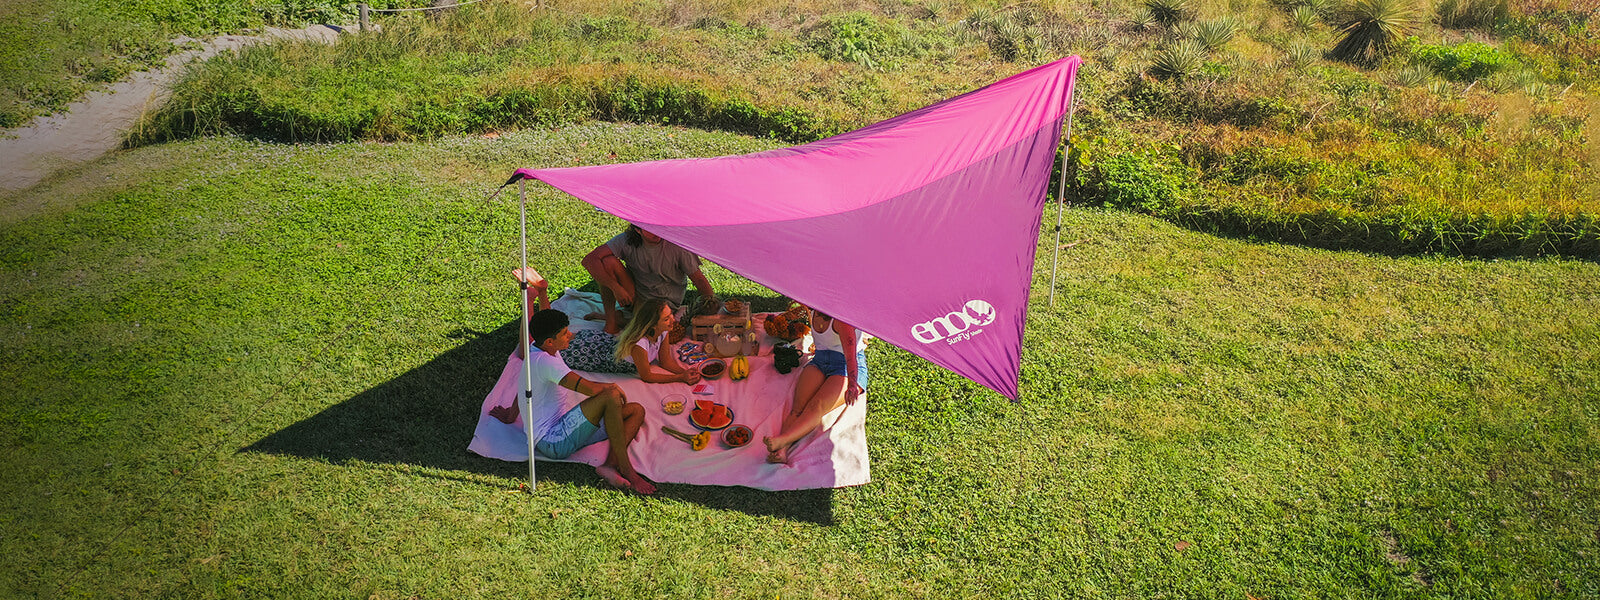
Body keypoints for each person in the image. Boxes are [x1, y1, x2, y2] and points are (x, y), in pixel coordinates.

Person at [488, 267, 657, 494]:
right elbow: (590, 389)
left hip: (564, 425)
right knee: (609, 395)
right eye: (565, 334)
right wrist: (613, 387)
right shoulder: (547, 363)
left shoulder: (540, 348)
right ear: (550, 341)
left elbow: (525, 384)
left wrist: (510, 416)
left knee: (635, 410)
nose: (570, 335)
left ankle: (608, 465)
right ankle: (628, 471)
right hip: (553, 442)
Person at [763, 309, 868, 465]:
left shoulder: (842, 321)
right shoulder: (812, 308)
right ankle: (782, 451)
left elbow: (851, 357)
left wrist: (852, 384)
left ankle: (782, 440)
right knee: (797, 408)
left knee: (816, 406)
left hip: (846, 365)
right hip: (820, 360)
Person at [581, 224, 715, 334]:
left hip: (665, 305)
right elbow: (589, 260)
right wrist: (616, 288)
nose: (656, 233)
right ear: (637, 230)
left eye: (658, 227)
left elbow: (699, 280)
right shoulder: (627, 240)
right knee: (607, 262)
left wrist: (711, 307)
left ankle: (620, 319)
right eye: (649, 229)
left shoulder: (676, 246)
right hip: (636, 296)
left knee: (654, 328)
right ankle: (611, 323)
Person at [559, 297, 702, 387]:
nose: (673, 320)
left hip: (606, 343)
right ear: (652, 324)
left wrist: (686, 372)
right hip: (595, 356)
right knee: (553, 346)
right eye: (666, 318)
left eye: (671, 314)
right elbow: (647, 376)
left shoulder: (663, 331)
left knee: (570, 337)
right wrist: (680, 378)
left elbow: (665, 362)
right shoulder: (639, 345)